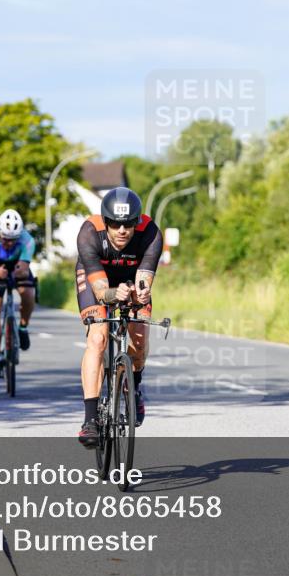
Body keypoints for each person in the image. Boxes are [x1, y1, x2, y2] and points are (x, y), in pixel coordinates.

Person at [74, 187, 163, 448]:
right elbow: (101, 291)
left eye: (128, 224)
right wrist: (114, 293)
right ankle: (90, 419)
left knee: (138, 340)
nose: (122, 230)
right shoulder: (90, 232)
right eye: (115, 223)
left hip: (130, 279)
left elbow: (145, 281)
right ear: (106, 221)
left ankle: (133, 388)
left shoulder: (151, 233)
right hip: (98, 280)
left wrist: (141, 295)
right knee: (98, 338)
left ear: (137, 221)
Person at [0, 209, 36, 378]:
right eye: (5, 239)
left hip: (17, 267)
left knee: (28, 294)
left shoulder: (27, 240)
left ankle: (23, 327)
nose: (9, 243)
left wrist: (18, 272)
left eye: (13, 240)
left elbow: (24, 269)